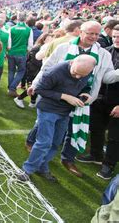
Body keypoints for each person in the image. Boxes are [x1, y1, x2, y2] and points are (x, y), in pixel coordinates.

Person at [26, 21, 119, 177]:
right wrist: (35, 83)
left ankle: (67, 159)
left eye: (97, 34)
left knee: (74, 130)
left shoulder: (103, 54)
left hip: (83, 100)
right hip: (56, 99)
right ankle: (31, 156)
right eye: (90, 33)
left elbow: (108, 78)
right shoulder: (64, 47)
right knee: (47, 131)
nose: (94, 37)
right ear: (80, 32)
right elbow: (47, 67)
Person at [17, 55, 97, 182]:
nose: (78, 77)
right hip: (48, 109)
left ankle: (42, 167)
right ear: (72, 63)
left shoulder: (86, 70)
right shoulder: (54, 71)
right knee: (44, 142)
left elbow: (85, 84)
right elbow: (40, 89)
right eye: (75, 73)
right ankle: (27, 170)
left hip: (65, 112)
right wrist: (65, 96)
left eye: (82, 75)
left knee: (55, 143)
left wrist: (86, 92)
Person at [77, 25, 119, 179]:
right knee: (96, 128)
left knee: (115, 136)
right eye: (114, 36)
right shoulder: (105, 51)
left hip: (117, 103)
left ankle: (108, 165)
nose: (116, 39)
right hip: (100, 98)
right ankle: (96, 155)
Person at [13, 33, 53, 109]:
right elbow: (35, 60)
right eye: (49, 39)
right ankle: (19, 98)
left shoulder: (46, 48)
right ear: (43, 39)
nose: (51, 40)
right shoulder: (37, 48)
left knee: (35, 87)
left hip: (36, 71)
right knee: (33, 87)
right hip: (32, 71)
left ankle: (32, 102)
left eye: (51, 39)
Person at [7, 12, 33, 97]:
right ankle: (12, 88)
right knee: (21, 71)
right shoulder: (29, 29)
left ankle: (10, 89)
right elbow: (30, 45)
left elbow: (9, 44)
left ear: (17, 19)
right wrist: (27, 51)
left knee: (11, 70)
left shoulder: (12, 28)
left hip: (12, 52)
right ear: (25, 19)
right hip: (22, 53)